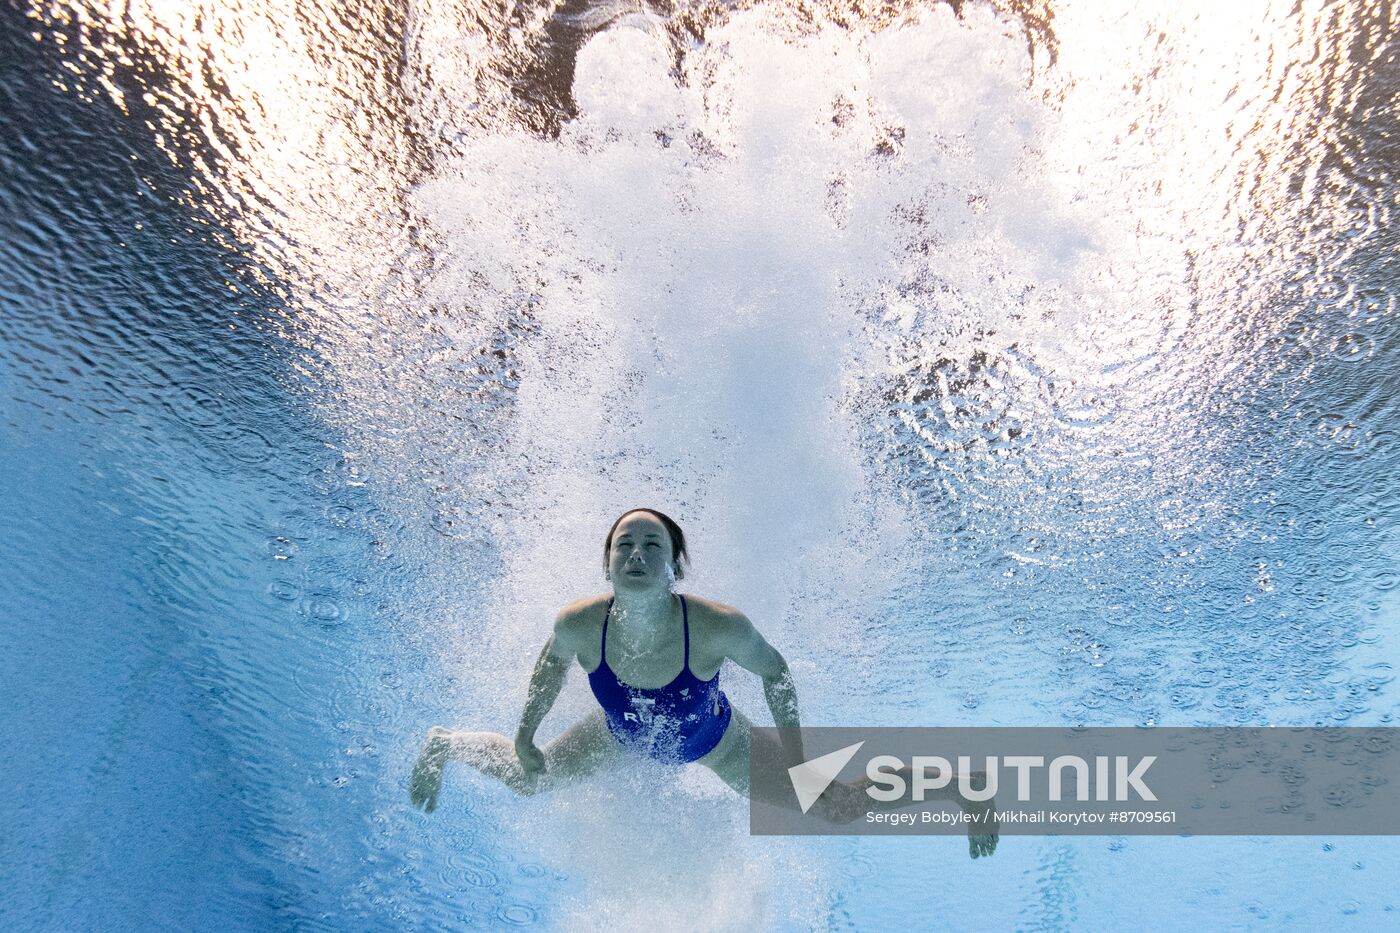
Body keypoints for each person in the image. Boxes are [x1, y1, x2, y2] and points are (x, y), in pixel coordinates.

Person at [409, 508, 998, 858]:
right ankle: (446, 743)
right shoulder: (578, 624)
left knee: (835, 806)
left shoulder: (718, 627)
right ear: (608, 562)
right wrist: (524, 735)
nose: (636, 553)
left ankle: (963, 785)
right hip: (619, 736)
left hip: (717, 743)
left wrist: (795, 756)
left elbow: (777, 673)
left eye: (652, 546)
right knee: (528, 781)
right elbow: (548, 666)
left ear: (675, 566)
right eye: (624, 545)